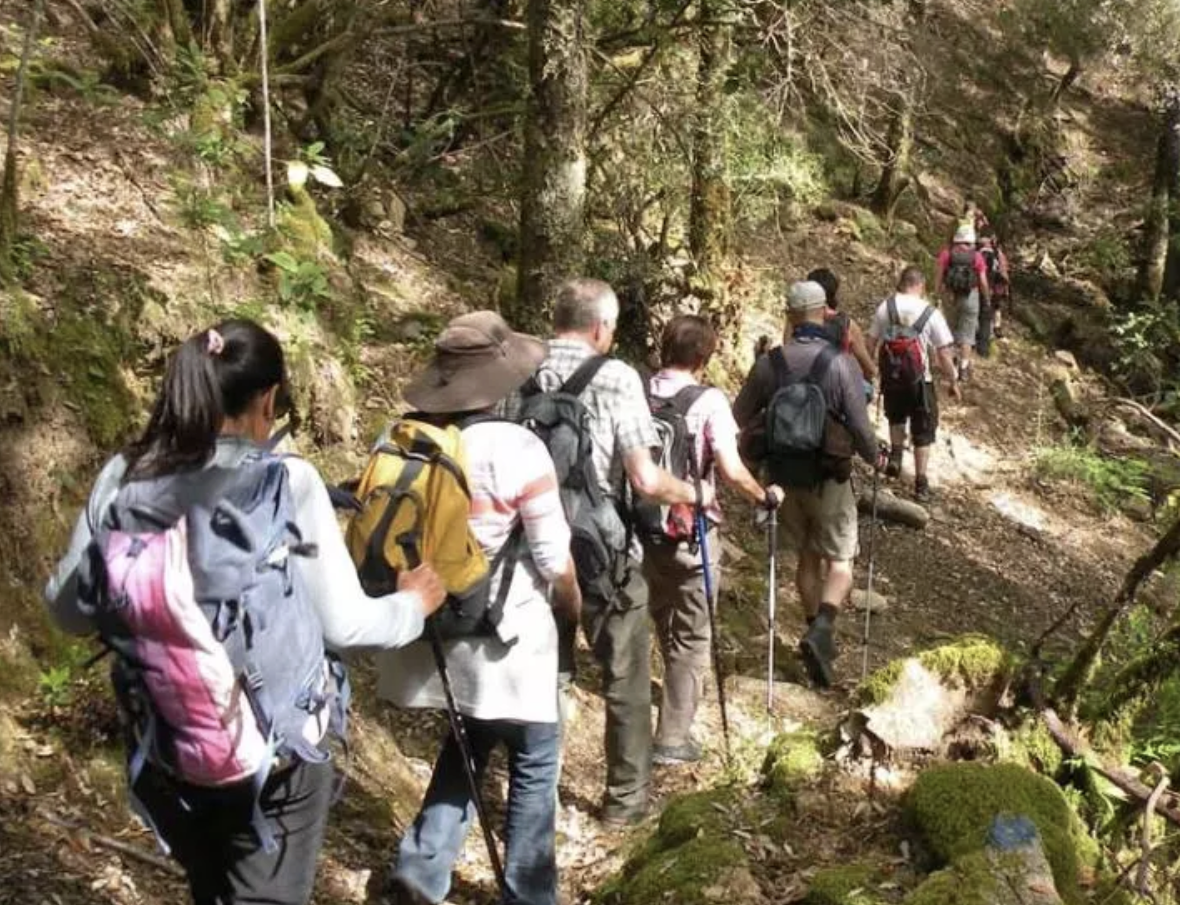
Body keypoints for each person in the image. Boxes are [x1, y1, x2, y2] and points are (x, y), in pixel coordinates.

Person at [43, 321, 447, 905]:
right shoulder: (288, 482)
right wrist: (413, 606)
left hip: (169, 743)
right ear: (267, 400)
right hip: (278, 753)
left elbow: (68, 612)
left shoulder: (125, 475)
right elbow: (347, 626)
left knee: (211, 887)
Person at [377, 312, 584, 905]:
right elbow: (553, 559)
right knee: (535, 759)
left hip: (437, 632)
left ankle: (419, 872)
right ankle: (529, 891)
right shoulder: (518, 448)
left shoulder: (404, 440)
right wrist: (573, 613)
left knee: (467, 743)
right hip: (511, 638)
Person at [511, 278, 696, 825]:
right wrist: (691, 492)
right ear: (601, 328)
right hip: (601, 549)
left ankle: (536, 798)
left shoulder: (521, 368)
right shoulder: (616, 377)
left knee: (549, 674)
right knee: (625, 678)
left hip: (528, 547)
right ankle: (625, 801)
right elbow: (643, 477)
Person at [643, 315, 784, 764]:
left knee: (663, 617)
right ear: (703, 357)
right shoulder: (709, 401)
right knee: (693, 634)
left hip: (642, 527)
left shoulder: (640, 391)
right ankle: (672, 738)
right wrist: (764, 496)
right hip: (692, 530)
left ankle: (672, 693)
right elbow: (729, 467)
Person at [734, 280, 881, 689]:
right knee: (841, 562)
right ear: (822, 312)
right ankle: (822, 629)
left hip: (781, 477)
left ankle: (814, 627)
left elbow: (739, 414)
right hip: (829, 477)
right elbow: (859, 424)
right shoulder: (838, 363)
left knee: (806, 559)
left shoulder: (770, 363)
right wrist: (876, 457)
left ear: (790, 316)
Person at [871, 267, 960, 502]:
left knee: (896, 416)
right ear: (920, 285)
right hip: (921, 379)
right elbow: (943, 353)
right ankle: (921, 483)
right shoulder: (930, 312)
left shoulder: (885, 307)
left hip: (892, 376)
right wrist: (953, 380)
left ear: (902, 283)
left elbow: (871, 343)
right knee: (923, 429)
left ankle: (896, 458)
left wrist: (869, 373)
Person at [791, 267, 879, 387]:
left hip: (799, 384)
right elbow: (868, 368)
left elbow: (788, 350)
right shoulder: (847, 325)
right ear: (834, 294)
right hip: (835, 388)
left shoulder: (795, 320)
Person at [937, 225, 991, 382]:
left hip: (950, 295)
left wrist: (938, 292)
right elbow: (982, 281)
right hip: (970, 296)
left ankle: (951, 366)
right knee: (967, 334)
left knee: (950, 330)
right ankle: (964, 368)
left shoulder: (947, 254)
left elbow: (939, 276)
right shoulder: (976, 257)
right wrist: (986, 298)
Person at [977, 234, 1011, 343]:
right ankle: (994, 330)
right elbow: (1003, 270)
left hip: (990, 284)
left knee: (991, 307)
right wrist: (1006, 287)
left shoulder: (983, 253)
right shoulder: (997, 253)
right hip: (996, 285)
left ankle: (990, 331)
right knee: (995, 307)